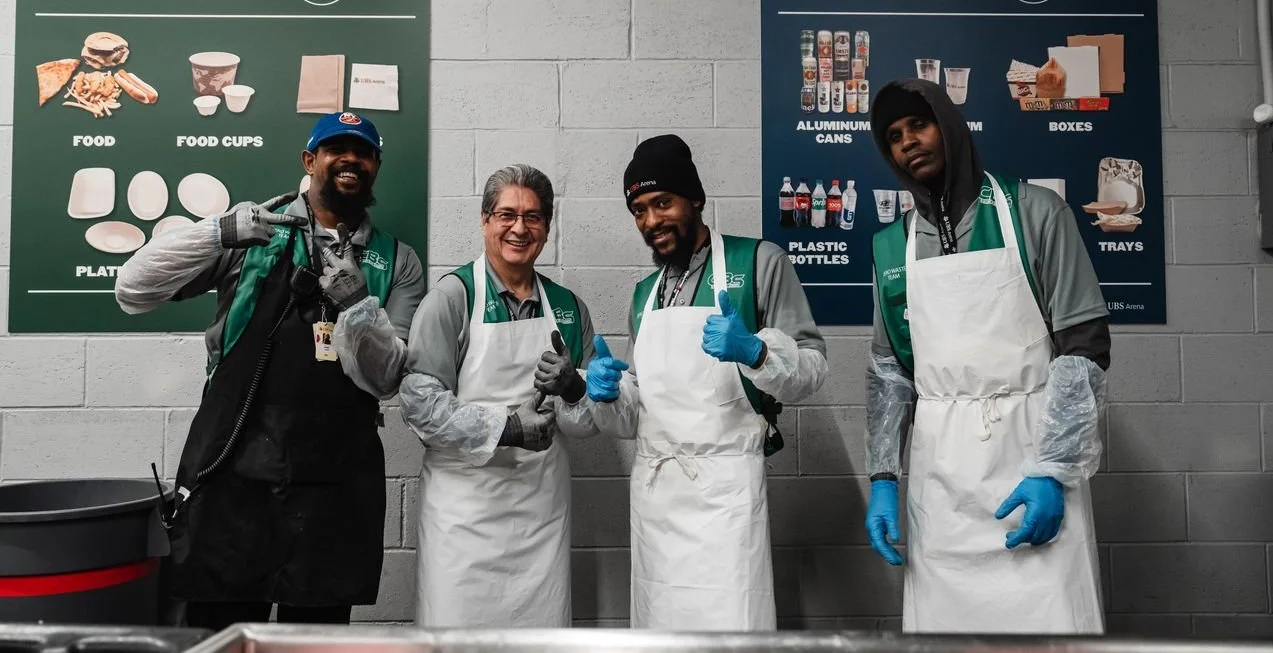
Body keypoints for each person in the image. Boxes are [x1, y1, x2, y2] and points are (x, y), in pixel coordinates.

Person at [114, 111, 426, 631]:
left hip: (334, 481)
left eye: (363, 151)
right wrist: (218, 233)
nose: (350, 159)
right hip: (233, 471)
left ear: (375, 166)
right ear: (310, 160)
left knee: (318, 638)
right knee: (222, 631)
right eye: (335, 148)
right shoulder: (255, 232)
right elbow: (133, 290)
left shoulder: (398, 260)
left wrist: (357, 306)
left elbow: (386, 377)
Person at [863, 78, 1109, 634]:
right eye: (894, 136)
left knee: (1049, 627)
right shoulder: (889, 247)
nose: (908, 142)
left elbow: (1084, 345)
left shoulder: (1035, 213)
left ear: (949, 125)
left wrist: (1053, 470)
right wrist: (883, 478)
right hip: (941, 474)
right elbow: (890, 374)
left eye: (918, 125)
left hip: (1028, 454)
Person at [585, 134, 828, 631]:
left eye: (662, 203)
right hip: (657, 497)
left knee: (732, 626)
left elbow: (812, 369)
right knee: (661, 630)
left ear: (695, 198)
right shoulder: (645, 294)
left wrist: (755, 351)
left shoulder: (759, 263)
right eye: (638, 210)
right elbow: (638, 412)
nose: (651, 221)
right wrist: (609, 394)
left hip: (726, 498)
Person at [400, 164, 598, 628]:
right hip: (464, 520)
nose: (519, 227)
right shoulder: (453, 298)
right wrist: (509, 427)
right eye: (506, 214)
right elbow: (421, 406)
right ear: (486, 220)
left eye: (533, 217)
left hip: (540, 517)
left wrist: (573, 387)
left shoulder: (568, 309)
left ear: (547, 228)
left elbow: (590, 423)